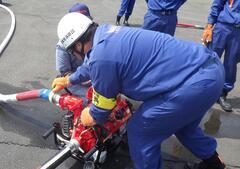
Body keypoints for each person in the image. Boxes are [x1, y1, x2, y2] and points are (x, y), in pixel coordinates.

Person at [52, 13, 226, 169]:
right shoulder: (106, 34)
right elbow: (94, 62)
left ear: (78, 45)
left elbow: (101, 111)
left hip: (195, 84)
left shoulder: (102, 57)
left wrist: (87, 115)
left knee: (140, 131)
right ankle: (215, 164)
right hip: (211, 71)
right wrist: (70, 79)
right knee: (183, 126)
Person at [201, 0, 240, 112]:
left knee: (231, 62)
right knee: (210, 58)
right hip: (222, 27)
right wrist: (209, 26)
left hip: (238, 33)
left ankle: (222, 94)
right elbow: (217, 5)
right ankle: (203, 87)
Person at [55, 3, 92, 97]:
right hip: (76, 80)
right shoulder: (63, 46)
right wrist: (82, 80)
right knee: (91, 99)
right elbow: (64, 72)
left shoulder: (95, 36)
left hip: (94, 75)